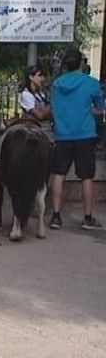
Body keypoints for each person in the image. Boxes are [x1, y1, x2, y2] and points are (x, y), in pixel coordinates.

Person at [49, 47, 104, 231]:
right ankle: (87, 218)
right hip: (85, 135)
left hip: (62, 135)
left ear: (65, 65)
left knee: (59, 174)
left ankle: (55, 216)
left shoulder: (57, 84)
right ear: (81, 63)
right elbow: (99, 108)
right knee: (87, 176)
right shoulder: (91, 83)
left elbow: (54, 107)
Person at [19, 64, 53, 142]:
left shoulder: (41, 94)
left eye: (43, 76)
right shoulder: (26, 95)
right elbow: (39, 115)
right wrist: (49, 107)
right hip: (33, 131)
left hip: (46, 128)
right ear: (31, 77)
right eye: (39, 76)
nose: (42, 79)